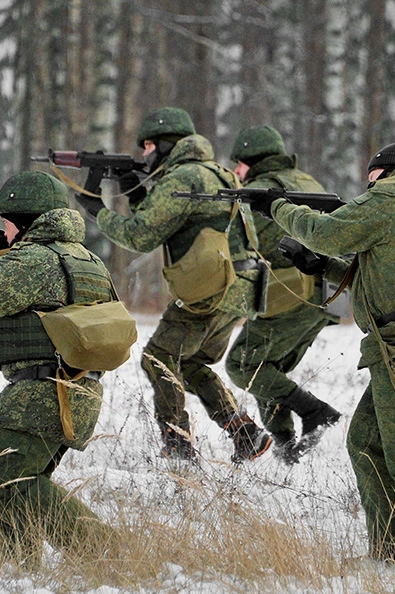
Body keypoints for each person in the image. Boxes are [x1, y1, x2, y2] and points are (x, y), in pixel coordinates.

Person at [260, 142, 395, 569]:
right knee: (366, 443)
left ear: (383, 172)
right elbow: (386, 280)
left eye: (369, 177)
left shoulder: (392, 197)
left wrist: (277, 208)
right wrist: (321, 267)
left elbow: (326, 233)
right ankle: (392, 551)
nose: (366, 185)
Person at [0, 171, 115, 567]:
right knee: (18, 482)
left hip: (41, 393)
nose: (2, 230)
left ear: (24, 219)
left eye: (6, 221)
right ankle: (15, 572)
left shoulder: (34, 260)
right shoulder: (86, 259)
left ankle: (106, 552)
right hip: (78, 392)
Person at [82, 107, 271, 463]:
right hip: (242, 288)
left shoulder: (182, 178)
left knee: (159, 359)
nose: (145, 154)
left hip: (212, 287)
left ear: (169, 145)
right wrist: (132, 190)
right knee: (193, 363)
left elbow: (140, 235)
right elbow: (166, 219)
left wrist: (98, 211)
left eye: (150, 145)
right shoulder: (218, 173)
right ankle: (245, 433)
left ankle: (178, 445)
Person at [222, 125, 341, 463]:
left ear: (253, 161)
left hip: (289, 292)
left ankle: (316, 411)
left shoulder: (258, 190)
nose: (236, 172)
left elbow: (238, 243)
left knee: (242, 365)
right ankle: (286, 448)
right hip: (326, 293)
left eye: (239, 165)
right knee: (267, 369)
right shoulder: (307, 181)